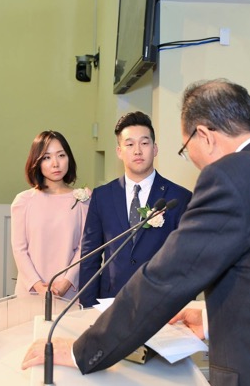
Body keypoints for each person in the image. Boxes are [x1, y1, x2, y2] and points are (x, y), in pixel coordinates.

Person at [22, 78, 250, 386]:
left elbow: (166, 279)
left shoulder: (228, 177)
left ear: (203, 135)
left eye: (185, 149)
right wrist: (207, 317)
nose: (191, 159)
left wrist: (84, 350)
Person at [77, 111, 192, 307]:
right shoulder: (102, 196)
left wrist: (182, 307)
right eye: (129, 144)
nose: (137, 151)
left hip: (161, 303)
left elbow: (186, 260)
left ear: (155, 149)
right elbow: (90, 255)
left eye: (144, 143)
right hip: (110, 302)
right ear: (119, 151)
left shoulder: (179, 197)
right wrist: (87, 306)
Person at [10, 130, 90, 300]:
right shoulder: (23, 201)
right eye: (47, 157)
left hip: (69, 293)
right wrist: (38, 285)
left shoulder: (83, 200)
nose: (55, 163)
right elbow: (19, 250)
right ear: (37, 162)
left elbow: (84, 248)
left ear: (69, 158)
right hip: (30, 292)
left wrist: (66, 282)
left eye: (61, 155)